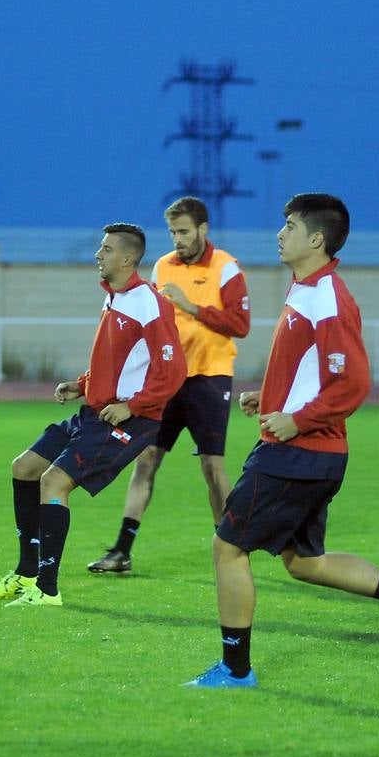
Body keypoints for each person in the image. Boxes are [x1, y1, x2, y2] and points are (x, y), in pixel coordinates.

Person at [186, 194, 379, 688]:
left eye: (289, 226)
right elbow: (312, 370)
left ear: (316, 239)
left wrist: (299, 419)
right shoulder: (306, 289)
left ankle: (236, 670)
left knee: (227, 547)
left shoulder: (327, 295)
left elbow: (354, 382)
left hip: (298, 454)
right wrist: (269, 397)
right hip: (311, 453)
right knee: (306, 563)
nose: (279, 234)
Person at [0, 223, 186, 606]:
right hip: (94, 412)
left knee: (54, 483)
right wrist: (82, 384)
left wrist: (131, 406)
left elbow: (173, 371)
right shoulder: (115, 298)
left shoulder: (149, 302)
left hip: (127, 420)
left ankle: (47, 589)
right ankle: (26, 573)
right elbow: (117, 362)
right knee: (24, 467)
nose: (98, 255)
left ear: (127, 258)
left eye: (106, 249)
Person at [88, 196, 250, 574]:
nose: (177, 239)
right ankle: (122, 551)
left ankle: (231, 549)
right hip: (165, 381)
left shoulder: (226, 267)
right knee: (146, 460)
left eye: (184, 231)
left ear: (203, 229)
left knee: (212, 467)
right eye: (173, 232)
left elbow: (240, 325)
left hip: (209, 377)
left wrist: (191, 306)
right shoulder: (162, 266)